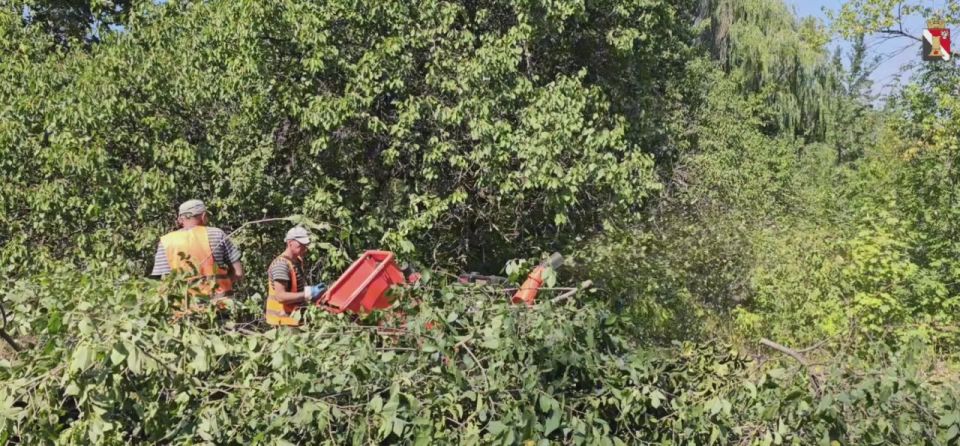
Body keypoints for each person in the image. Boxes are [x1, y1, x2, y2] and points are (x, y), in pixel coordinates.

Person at [150, 199, 244, 304]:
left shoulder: (166, 242)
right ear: (203, 216)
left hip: (183, 309)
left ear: (181, 219)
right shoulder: (217, 234)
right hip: (219, 304)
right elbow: (238, 273)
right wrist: (219, 285)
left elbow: (162, 283)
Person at [265, 226, 326, 327]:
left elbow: (295, 289)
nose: (304, 247)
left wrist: (314, 293)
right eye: (301, 244)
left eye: (305, 244)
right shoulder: (281, 265)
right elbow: (281, 296)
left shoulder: (297, 261)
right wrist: (308, 293)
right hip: (282, 322)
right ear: (290, 243)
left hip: (293, 320)